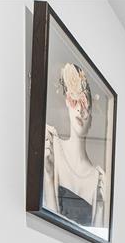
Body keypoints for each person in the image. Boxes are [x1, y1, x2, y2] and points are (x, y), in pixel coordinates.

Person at [43, 62, 107, 229]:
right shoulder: (51, 146)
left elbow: (96, 237)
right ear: (67, 101)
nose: (80, 109)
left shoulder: (98, 179)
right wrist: (48, 175)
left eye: (85, 104)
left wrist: (100, 206)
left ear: (92, 119)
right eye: (74, 100)